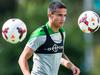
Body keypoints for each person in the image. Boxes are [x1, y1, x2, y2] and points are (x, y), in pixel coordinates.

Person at [18, 1, 80, 75]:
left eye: (65, 15)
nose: (63, 19)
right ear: (50, 15)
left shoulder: (62, 32)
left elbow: (60, 54)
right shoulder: (39, 34)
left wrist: (72, 67)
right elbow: (22, 58)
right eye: (60, 15)